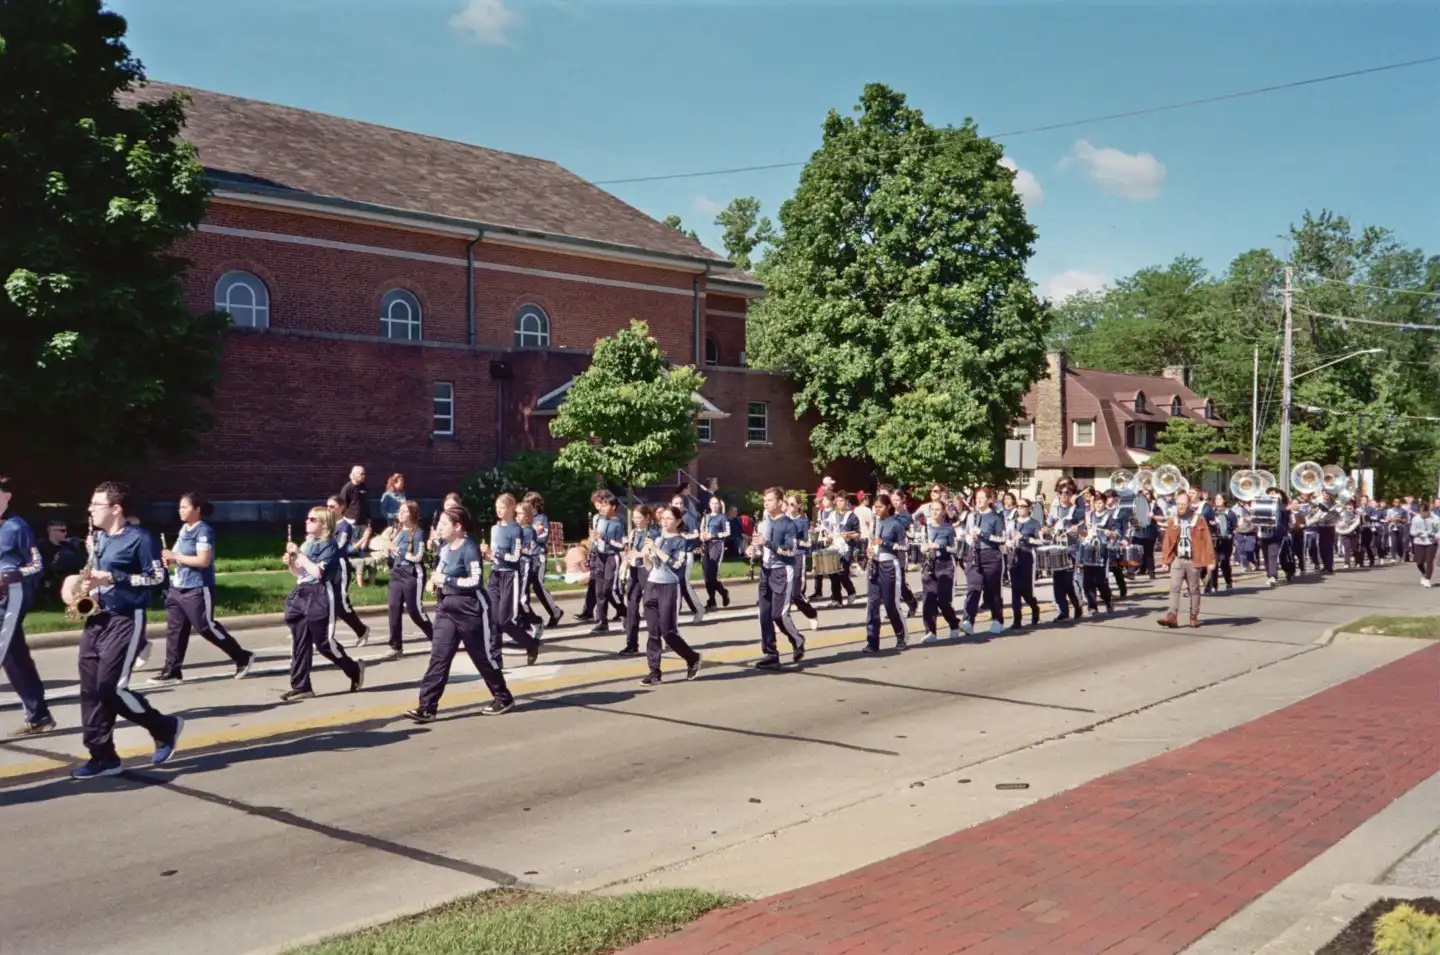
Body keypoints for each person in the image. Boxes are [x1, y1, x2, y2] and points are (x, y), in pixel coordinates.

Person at [68, 482, 185, 777]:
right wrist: (87, 589)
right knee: (90, 690)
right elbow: (95, 574)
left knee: (111, 688)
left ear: (116, 509)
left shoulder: (140, 539)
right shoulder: (99, 539)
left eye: (96, 505)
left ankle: (164, 726)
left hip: (126, 619)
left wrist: (114, 576)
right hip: (98, 618)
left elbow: (158, 579)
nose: (90, 510)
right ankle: (103, 757)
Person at [407, 504, 514, 720]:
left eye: (444, 524)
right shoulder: (444, 548)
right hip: (447, 608)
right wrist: (433, 581)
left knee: (481, 657)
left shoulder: (469, 548)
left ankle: (503, 696)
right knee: (439, 657)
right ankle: (427, 707)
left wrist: (446, 579)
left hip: (471, 609)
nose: (439, 527)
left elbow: (475, 581)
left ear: (458, 526)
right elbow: (441, 569)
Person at [152, 492, 256, 684]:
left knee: (205, 626)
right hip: (178, 587)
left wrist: (176, 557)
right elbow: (177, 555)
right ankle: (172, 669)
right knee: (175, 629)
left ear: (197, 509)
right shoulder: (184, 529)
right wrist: (169, 560)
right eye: (180, 507)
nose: (180, 511)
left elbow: (203, 560)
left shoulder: (203, 530)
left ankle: (242, 656)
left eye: (185, 507)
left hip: (198, 587)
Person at [281, 506, 366, 702]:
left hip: (320, 595)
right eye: (307, 518)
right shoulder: (307, 543)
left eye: (312, 519)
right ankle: (301, 685)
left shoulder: (330, 545)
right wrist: (291, 563)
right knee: (300, 641)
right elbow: (300, 574)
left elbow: (319, 573)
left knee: (324, 643)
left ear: (323, 524)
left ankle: (353, 669)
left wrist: (300, 556)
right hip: (301, 594)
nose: (307, 521)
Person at [1, 476, 53, 737]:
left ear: (7, 496)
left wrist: (13, 575)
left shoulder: (17, 527)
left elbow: (37, 565)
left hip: (10, 598)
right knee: (14, 658)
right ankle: (39, 715)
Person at [639, 505, 704, 686]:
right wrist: (645, 555)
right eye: (663, 518)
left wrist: (657, 550)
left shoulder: (680, 541)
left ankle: (692, 658)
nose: (665, 522)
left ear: (678, 521)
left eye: (669, 519)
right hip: (652, 585)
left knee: (668, 632)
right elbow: (650, 567)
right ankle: (654, 671)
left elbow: (676, 565)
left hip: (669, 587)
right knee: (652, 632)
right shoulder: (657, 539)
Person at [750, 487, 806, 668]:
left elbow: (790, 551)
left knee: (778, 615)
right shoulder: (763, 524)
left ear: (780, 502)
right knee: (764, 615)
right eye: (764, 500)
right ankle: (770, 653)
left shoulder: (789, 525)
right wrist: (752, 550)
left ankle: (797, 640)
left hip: (782, 571)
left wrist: (767, 543)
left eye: (769, 500)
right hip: (765, 571)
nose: (765, 503)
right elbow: (760, 549)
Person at [486, 494, 541, 664]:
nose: (499, 511)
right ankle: (496, 656)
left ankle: (530, 644)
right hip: (495, 574)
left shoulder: (516, 529)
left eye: (502, 507)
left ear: (511, 508)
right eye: (497, 507)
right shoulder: (495, 529)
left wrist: (496, 553)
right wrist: (488, 555)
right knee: (493, 618)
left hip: (510, 575)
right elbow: (494, 555)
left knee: (504, 620)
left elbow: (515, 557)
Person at [382, 500, 433, 661]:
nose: (400, 514)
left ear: (412, 514)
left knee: (415, 610)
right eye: (400, 511)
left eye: (404, 511)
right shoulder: (397, 531)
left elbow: (417, 557)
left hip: (412, 575)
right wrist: (387, 552)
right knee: (393, 607)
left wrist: (396, 549)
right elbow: (394, 554)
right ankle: (395, 646)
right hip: (396, 574)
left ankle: (436, 638)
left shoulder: (418, 533)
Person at [1158, 491, 1215, 629]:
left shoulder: (1199, 520)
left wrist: (1210, 561)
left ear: (1189, 504)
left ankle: (1193, 616)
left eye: (1182, 504)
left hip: (1193, 559)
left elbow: (1207, 541)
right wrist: (1165, 561)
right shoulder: (1174, 520)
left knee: (1194, 589)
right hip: (1178, 558)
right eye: (1178, 504)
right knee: (1174, 588)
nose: (1180, 507)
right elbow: (1168, 542)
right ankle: (1172, 615)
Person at [863, 493, 907, 652]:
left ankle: (901, 635)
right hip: (874, 564)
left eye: (880, 507)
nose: (877, 510)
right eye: (875, 507)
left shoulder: (896, 524)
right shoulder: (874, 523)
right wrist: (868, 551)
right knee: (872, 604)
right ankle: (872, 641)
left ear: (888, 507)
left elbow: (904, 547)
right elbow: (871, 543)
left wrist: (885, 543)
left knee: (890, 604)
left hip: (889, 565)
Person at [326, 495, 372, 645]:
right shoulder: (329, 525)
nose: (329, 510)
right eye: (328, 506)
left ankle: (361, 630)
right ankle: (360, 630)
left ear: (341, 508)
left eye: (332, 506)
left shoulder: (344, 526)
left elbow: (339, 547)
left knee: (341, 604)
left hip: (340, 567)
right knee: (329, 602)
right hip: (328, 567)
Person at [619, 505, 659, 655]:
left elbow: (646, 551)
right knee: (631, 608)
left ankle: (657, 641)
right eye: (634, 517)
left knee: (650, 608)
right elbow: (630, 550)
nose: (636, 521)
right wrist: (626, 558)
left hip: (647, 571)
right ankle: (631, 644)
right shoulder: (634, 533)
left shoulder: (652, 533)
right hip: (634, 571)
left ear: (647, 518)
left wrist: (638, 554)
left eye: (639, 517)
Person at [585, 491, 626, 635]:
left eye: (605, 505)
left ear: (613, 507)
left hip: (611, 557)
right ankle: (601, 621)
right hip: (600, 556)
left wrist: (605, 539)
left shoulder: (618, 523)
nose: (602, 508)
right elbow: (596, 537)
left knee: (610, 589)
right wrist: (593, 540)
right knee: (599, 590)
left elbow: (621, 544)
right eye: (601, 505)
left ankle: (625, 613)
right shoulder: (600, 520)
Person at [920, 501, 960, 642]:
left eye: (938, 509)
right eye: (932, 509)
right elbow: (918, 545)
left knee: (943, 600)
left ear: (943, 511)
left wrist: (940, 547)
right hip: (929, 565)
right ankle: (931, 631)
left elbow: (955, 549)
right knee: (929, 600)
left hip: (945, 565)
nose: (934, 512)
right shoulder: (925, 528)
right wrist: (923, 548)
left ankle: (954, 623)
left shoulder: (948, 529)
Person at [521, 492, 563, 628]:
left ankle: (555, 611)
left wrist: (531, 531)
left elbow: (542, 537)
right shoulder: (525, 520)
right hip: (526, 557)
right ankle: (527, 616)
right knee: (524, 587)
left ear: (536, 506)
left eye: (531, 506)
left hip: (538, 556)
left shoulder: (541, 519)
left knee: (538, 585)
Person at [785, 494, 821, 631]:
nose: (789, 507)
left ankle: (811, 614)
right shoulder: (783, 519)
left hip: (798, 556)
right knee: (783, 592)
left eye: (793, 504)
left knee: (795, 594)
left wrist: (797, 542)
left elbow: (808, 542)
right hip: (784, 557)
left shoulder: (803, 521)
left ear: (799, 506)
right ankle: (782, 619)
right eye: (788, 504)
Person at [670, 493, 705, 624]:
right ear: (671, 504)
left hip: (686, 553)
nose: (678, 506)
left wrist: (684, 536)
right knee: (678, 585)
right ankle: (676, 612)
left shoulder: (688, 517)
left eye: (680, 503)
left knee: (684, 584)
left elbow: (696, 534)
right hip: (673, 555)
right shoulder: (670, 517)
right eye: (676, 503)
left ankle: (698, 609)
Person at [1009, 500, 1043, 629]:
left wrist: (1024, 538)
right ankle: (1017, 619)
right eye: (1018, 506)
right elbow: (1006, 537)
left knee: (1025, 589)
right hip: (1014, 556)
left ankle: (1034, 607)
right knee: (1015, 589)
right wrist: (1009, 542)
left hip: (1027, 555)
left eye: (1023, 506)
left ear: (1029, 508)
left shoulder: (1034, 523)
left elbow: (1040, 541)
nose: (1020, 509)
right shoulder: (1013, 523)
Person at [699, 495, 731, 610]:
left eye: (716, 503)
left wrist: (713, 535)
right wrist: (702, 536)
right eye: (712, 503)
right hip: (706, 545)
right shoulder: (705, 517)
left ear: (719, 505)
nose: (714, 505)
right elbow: (701, 531)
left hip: (717, 544)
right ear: (709, 504)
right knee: (706, 575)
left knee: (712, 574)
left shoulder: (723, 518)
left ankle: (723, 592)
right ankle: (711, 600)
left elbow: (727, 532)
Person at [1409, 501, 1439, 588]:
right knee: (1419, 562)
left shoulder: (1435, 519)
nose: (1422, 514)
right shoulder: (1416, 519)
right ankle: (1424, 573)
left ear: (1427, 511)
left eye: (1424, 512)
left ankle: (1428, 579)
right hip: (1419, 541)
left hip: (1431, 542)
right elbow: (1412, 531)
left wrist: (1435, 536)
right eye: (1420, 512)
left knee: (1429, 561)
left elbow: (1439, 531)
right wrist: (1416, 534)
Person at [338, 464, 371, 530]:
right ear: (354, 475)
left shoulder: (363, 486)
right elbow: (341, 505)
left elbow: (366, 503)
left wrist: (368, 518)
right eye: (361, 474)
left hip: (363, 523)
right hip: (352, 523)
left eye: (364, 474)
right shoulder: (348, 488)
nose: (364, 476)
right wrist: (346, 519)